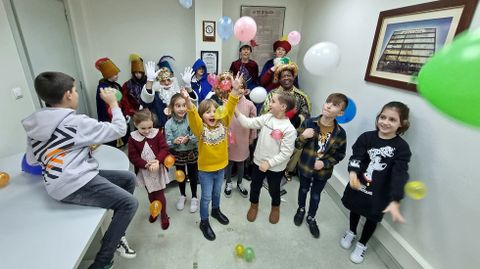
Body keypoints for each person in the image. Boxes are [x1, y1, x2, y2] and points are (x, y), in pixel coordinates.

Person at [22, 72, 138, 269]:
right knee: (129, 204)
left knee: (128, 178)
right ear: (68, 94)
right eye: (75, 90)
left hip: (60, 181)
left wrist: (66, 151)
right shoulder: (76, 122)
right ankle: (102, 262)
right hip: (74, 182)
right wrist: (113, 104)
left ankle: (117, 234)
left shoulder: (36, 125)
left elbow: (33, 160)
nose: (76, 94)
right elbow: (119, 130)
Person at [340, 102, 412, 264]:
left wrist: (395, 199)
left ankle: (362, 243)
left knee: (372, 218)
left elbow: (399, 175)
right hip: (358, 184)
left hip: (380, 193)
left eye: (392, 120)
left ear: (402, 124)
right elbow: (356, 156)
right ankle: (351, 232)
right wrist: (353, 174)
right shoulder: (367, 137)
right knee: (355, 209)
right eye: (383, 117)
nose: (385, 122)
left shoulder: (402, 148)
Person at [180, 72, 244, 241]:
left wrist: (235, 90)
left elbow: (230, 106)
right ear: (202, 116)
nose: (212, 114)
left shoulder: (224, 122)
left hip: (221, 167)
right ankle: (204, 221)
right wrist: (188, 101)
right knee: (206, 197)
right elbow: (193, 114)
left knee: (217, 194)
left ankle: (215, 211)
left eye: (215, 111)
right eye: (208, 112)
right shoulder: (200, 129)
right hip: (206, 171)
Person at [236, 92, 297, 224]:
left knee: (274, 189)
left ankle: (275, 207)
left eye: (273, 101)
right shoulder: (268, 117)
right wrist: (234, 110)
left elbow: (286, 153)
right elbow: (247, 123)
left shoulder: (289, 129)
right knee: (255, 186)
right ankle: (254, 205)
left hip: (275, 168)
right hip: (258, 162)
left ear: (283, 106)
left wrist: (269, 164)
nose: (270, 104)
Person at [293, 93, 348, 238]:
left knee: (316, 195)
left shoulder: (340, 133)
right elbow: (297, 144)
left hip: (323, 172)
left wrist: (325, 163)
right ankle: (301, 209)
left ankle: (311, 217)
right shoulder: (309, 123)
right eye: (328, 102)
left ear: (340, 113)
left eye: (335, 105)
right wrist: (304, 136)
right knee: (303, 189)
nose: (329, 105)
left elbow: (340, 155)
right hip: (305, 166)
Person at [261, 61, 311, 190]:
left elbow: (305, 115)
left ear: (293, 77)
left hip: (293, 131)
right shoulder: (273, 94)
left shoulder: (302, 96)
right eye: (283, 76)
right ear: (279, 79)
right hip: (273, 130)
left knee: (297, 146)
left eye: (289, 75)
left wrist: (293, 124)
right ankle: (268, 172)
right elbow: (265, 112)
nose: (286, 78)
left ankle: (284, 172)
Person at [128, 109, 171, 230]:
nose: (147, 131)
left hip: (157, 169)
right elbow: (133, 156)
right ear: (136, 125)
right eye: (143, 128)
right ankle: (155, 210)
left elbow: (164, 149)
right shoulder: (132, 138)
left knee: (159, 193)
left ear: (153, 124)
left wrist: (157, 160)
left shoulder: (157, 133)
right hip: (144, 171)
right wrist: (144, 164)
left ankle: (164, 215)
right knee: (151, 193)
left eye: (149, 127)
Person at [165, 93, 199, 213]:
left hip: (191, 152)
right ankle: (183, 195)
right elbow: (167, 142)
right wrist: (173, 141)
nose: (181, 109)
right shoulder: (168, 124)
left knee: (193, 175)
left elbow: (198, 136)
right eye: (178, 106)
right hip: (178, 153)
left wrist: (189, 138)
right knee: (180, 175)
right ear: (172, 108)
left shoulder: (192, 119)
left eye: (184, 105)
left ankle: (194, 196)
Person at [224, 78, 257, 198]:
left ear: (245, 90)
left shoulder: (250, 105)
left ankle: (239, 183)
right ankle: (228, 183)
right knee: (229, 163)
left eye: (242, 87)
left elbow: (254, 123)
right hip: (229, 138)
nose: (239, 89)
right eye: (237, 87)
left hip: (243, 138)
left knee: (241, 163)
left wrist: (252, 137)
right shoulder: (227, 103)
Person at [141, 58, 197, 128]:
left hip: (180, 130)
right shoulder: (154, 95)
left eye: (168, 80)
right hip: (160, 131)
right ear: (158, 82)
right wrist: (149, 81)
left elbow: (192, 107)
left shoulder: (179, 93)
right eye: (163, 81)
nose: (167, 83)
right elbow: (146, 103)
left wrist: (188, 86)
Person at [95, 57, 129, 147]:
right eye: (114, 74)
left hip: (120, 111)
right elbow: (103, 106)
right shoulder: (102, 88)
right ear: (108, 75)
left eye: (117, 74)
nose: (117, 76)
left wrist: (126, 112)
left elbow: (124, 100)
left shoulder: (116, 85)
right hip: (109, 116)